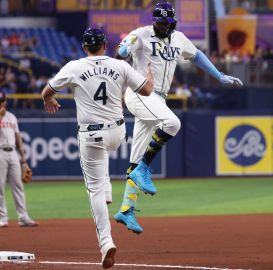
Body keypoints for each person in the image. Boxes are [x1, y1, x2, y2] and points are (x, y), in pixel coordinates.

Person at [114, 1, 243, 234]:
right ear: (153, 21)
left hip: (158, 99)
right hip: (140, 92)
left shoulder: (179, 38)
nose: (163, 26)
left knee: (135, 159)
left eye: (167, 22)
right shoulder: (140, 34)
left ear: (173, 22)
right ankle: (143, 169)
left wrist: (219, 75)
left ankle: (126, 209)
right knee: (172, 123)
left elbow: (197, 55)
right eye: (159, 22)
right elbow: (120, 53)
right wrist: (124, 49)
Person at [41, 28, 153, 269]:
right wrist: (151, 73)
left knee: (94, 191)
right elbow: (146, 90)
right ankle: (109, 192)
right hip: (117, 132)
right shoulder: (119, 65)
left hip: (91, 134)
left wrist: (48, 99)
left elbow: (46, 91)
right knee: (104, 161)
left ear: (84, 47)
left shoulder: (74, 66)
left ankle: (105, 242)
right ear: (104, 45)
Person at [0, 91, 39, 228]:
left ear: (5, 102)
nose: (0, 104)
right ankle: (3, 218)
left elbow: (18, 136)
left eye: (2, 102)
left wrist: (23, 159)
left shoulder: (12, 117)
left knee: (18, 185)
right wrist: (0, 118)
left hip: (12, 152)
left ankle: (23, 217)